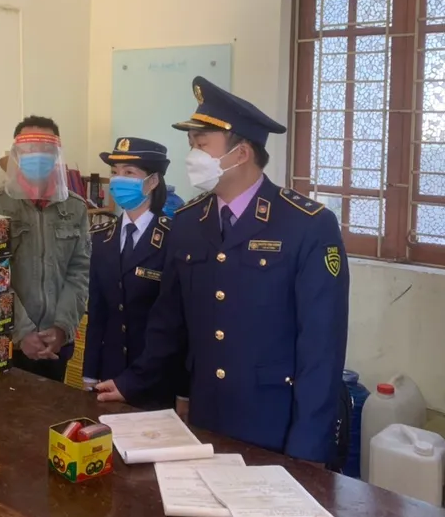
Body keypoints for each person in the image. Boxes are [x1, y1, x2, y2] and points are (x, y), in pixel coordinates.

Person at [96, 77, 349, 466]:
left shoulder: (306, 225)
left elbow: (322, 351)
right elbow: (169, 323)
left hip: (275, 426)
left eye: (201, 145)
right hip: (207, 418)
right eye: (191, 145)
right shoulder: (188, 221)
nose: (192, 155)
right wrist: (133, 382)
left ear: (241, 153)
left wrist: (308, 451)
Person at [0, 116, 90, 382]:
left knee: (53, 404)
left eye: (46, 150)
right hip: (6, 341)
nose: (37, 156)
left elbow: (79, 271)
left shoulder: (75, 207)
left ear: (56, 155)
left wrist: (62, 328)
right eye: (29, 149)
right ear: (17, 154)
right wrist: (22, 332)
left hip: (55, 342)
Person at [82, 138, 188, 411]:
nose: (118, 180)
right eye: (114, 172)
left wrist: (184, 391)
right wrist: (89, 372)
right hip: (109, 373)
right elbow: (97, 313)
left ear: (152, 181)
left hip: (156, 377)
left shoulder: (174, 238)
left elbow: (179, 324)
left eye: (129, 173)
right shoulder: (102, 237)